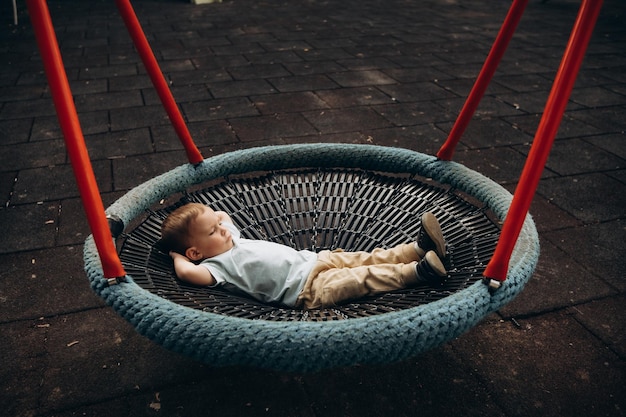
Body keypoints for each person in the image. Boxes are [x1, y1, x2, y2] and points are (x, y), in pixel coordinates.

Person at [160, 202, 449, 309]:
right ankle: (418, 272)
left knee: (364, 258)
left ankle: (416, 250)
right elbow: (186, 272)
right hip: (306, 291)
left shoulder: (229, 237)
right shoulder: (215, 267)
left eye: (219, 226)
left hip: (312, 260)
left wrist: (212, 222)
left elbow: (221, 215)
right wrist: (178, 256)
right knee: (363, 278)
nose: (222, 229)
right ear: (196, 251)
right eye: (212, 231)